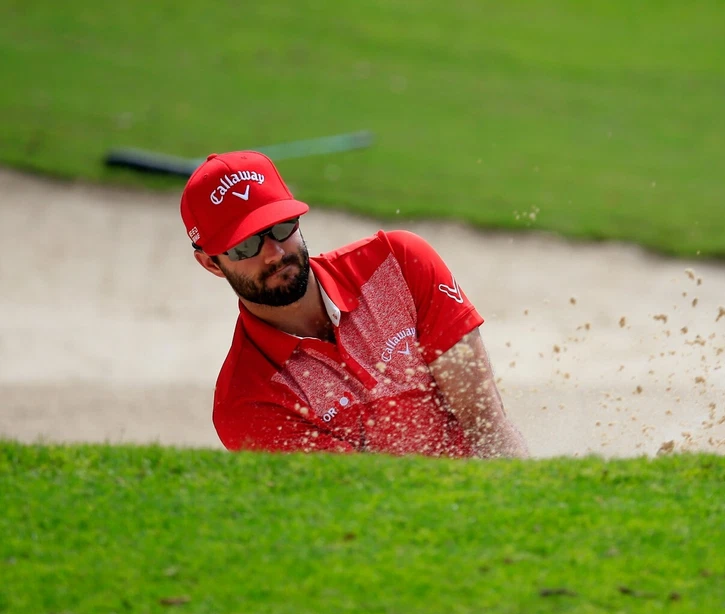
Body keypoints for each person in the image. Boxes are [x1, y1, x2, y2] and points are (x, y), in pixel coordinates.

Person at [180, 150, 528, 459]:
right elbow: (361, 500)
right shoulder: (247, 403)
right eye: (245, 246)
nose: (275, 252)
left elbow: (486, 426)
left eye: (282, 226)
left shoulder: (399, 262)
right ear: (211, 264)